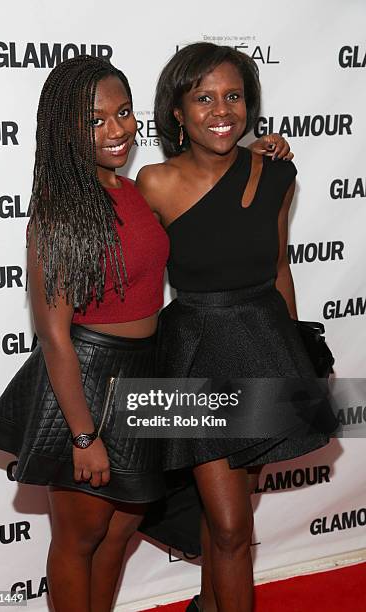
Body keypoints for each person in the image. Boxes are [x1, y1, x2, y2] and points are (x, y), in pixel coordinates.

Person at [0, 54, 289, 612]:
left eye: (122, 113)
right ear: (64, 129)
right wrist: (82, 435)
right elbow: (53, 337)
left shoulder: (132, 190)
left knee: (119, 534)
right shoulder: (58, 213)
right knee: (79, 541)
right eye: (95, 121)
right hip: (89, 383)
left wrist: (258, 154)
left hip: (148, 372)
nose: (118, 130)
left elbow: (209, 192)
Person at [137, 43, 334, 612]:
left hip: (264, 347)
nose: (221, 110)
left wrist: (299, 358)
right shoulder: (154, 183)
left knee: (227, 522)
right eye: (203, 97)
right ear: (176, 111)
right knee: (229, 527)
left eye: (233, 96)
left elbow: (279, 269)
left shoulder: (277, 174)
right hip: (196, 356)